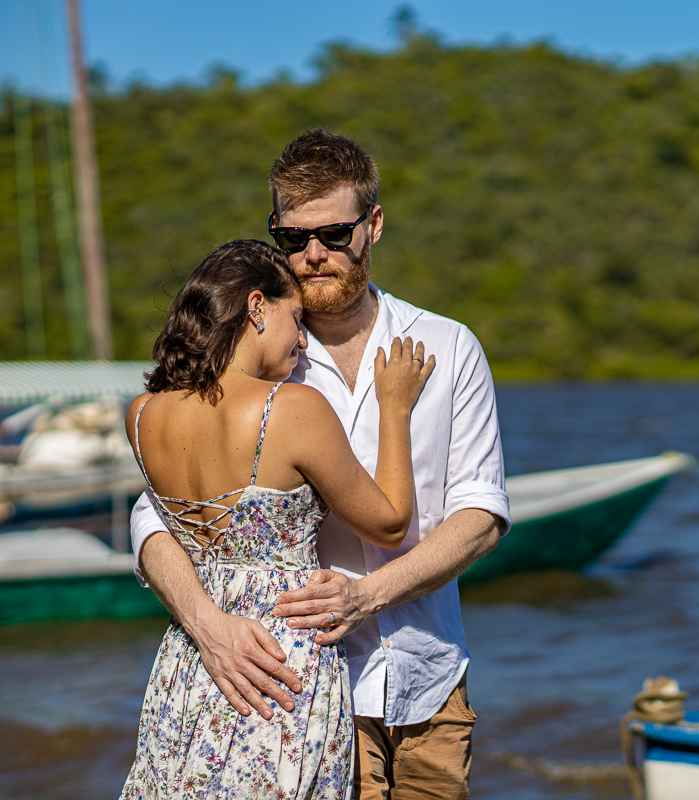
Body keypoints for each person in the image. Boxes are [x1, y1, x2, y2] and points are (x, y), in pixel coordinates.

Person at [128, 129, 510, 800]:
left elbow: (480, 514)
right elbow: (156, 518)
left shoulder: (447, 345)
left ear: (374, 225)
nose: (313, 255)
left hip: (431, 680)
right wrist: (206, 625)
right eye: (293, 238)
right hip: (301, 685)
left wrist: (371, 594)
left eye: (335, 234)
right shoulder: (259, 359)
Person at [120, 238, 434, 798]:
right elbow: (389, 522)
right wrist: (395, 408)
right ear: (257, 307)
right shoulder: (290, 407)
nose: (303, 339)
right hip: (279, 668)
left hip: (193, 664)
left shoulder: (143, 415)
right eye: (296, 318)